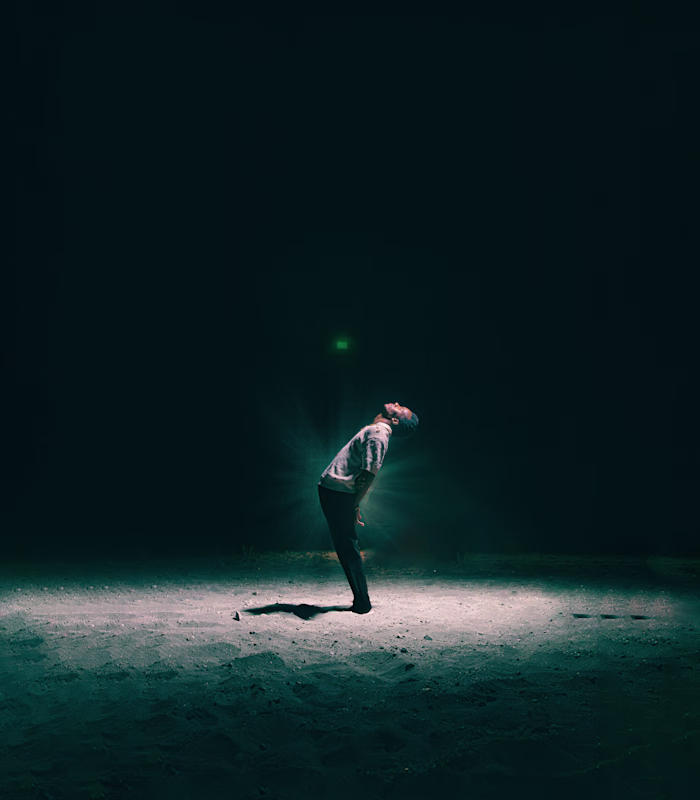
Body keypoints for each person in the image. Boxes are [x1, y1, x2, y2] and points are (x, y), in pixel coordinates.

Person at [318, 402, 419, 614]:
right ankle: (361, 600)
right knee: (346, 545)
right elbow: (365, 474)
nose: (397, 404)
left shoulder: (377, 433)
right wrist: (353, 506)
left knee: (347, 546)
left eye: (401, 409)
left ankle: (362, 602)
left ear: (395, 420)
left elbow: (369, 474)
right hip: (338, 493)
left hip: (338, 494)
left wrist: (354, 504)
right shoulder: (375, 431)